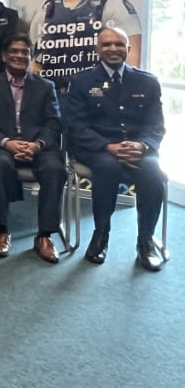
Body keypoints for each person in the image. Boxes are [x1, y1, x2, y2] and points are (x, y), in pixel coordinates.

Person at [63, 27, 168, 271]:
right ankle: (101, 236)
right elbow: (76, 125)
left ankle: (146, 241)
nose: (113, 49)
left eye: (119, 44)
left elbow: (156, 125)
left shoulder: (147, 81)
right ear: (97, 49)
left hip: (138, 150)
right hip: (98, 149)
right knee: (107, 168)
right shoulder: (82, 81)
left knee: (153, 173)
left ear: (128, 50)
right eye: (107, 44)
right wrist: (108, 147)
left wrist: (142, 146)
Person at [0, 34, 64, 263]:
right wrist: (7, 143)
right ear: (4, 56)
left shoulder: (45, 86)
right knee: (0, 164)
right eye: (14, 51)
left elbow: (54, 122)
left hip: (36, 147)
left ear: (30, 57)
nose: (19, 56)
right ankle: (2, 231)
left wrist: (37, 145)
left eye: (25, 52)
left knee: (55, 169)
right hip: (2, 146)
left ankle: (44, 236)